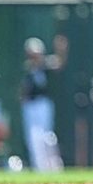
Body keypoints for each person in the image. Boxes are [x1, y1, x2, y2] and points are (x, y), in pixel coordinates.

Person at [20, 35, 68, 171]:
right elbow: (23, 90)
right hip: (30, 105)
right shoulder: (28, 69)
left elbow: (59, 63)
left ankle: (54, 165)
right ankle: (39, 167)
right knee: (33, 137)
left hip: (43, 104)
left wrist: (61, 50)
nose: (33, 57)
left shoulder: (46, 66)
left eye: (35, 54)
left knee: (46, 135)